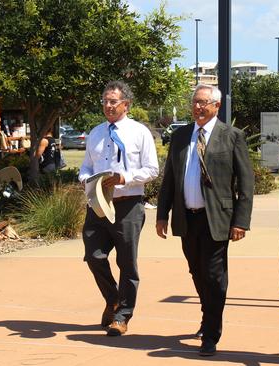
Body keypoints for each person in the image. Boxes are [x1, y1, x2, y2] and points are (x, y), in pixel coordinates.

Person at [155, 84, 254, 356]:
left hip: (218, 219)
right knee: (196, 271)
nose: (198, 107)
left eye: (203, 103)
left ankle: (211, 334)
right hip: (187, 217)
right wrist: (162, 214)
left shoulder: (231, 136)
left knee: (214, 275)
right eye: (195, 102)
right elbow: (170, 179)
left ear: (216, 106)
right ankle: (207, 312)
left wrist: (241, 221)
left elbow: (246, 182)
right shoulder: (180, 136)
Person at [78, 80, 158, 336]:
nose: (108, 105)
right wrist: (84, 179)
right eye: (105, 101)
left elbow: (152, 170)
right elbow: (86, 166)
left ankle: (122, 315)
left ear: (126, 104)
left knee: (127, 263)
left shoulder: (140, 132)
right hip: (99, 204)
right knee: (94, 255)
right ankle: (113, 298)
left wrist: (125, 178)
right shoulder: (96, 132)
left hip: (128, 205)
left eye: (113, 101)